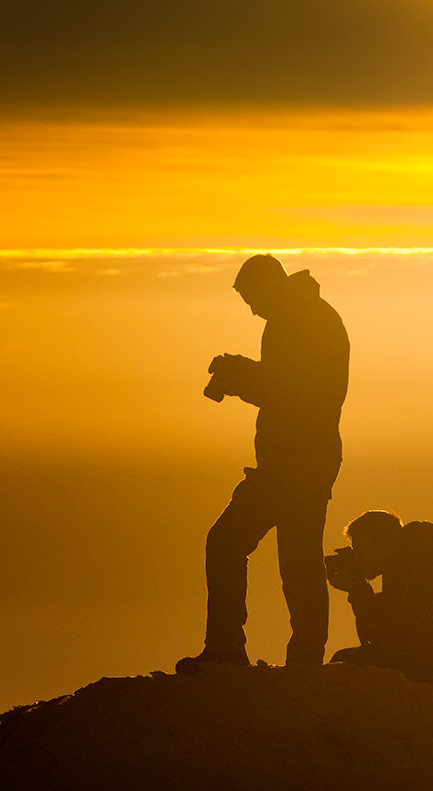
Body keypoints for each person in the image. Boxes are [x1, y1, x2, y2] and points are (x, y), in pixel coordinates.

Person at [177, 254, 349, 674]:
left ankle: (225, 649)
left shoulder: (296, 321)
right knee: (299, 559)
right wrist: (244, 372)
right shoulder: (312, 315)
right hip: (315, 457)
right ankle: (305, 663)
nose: (252, 309)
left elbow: (288, 392)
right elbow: (291, 383)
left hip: (291, 460)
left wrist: (238, 377)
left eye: (251, 298)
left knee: (226, 543)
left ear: (267, 285)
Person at [326, 510, 433, 683]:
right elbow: (392, 629)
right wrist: (357, 586)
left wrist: (357, 588)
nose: (358, 559)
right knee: (349, 659)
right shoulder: (404, 567)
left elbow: (399, 633)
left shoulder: (428, 567)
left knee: (351, 662)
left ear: (388, 545)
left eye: (363, 550)